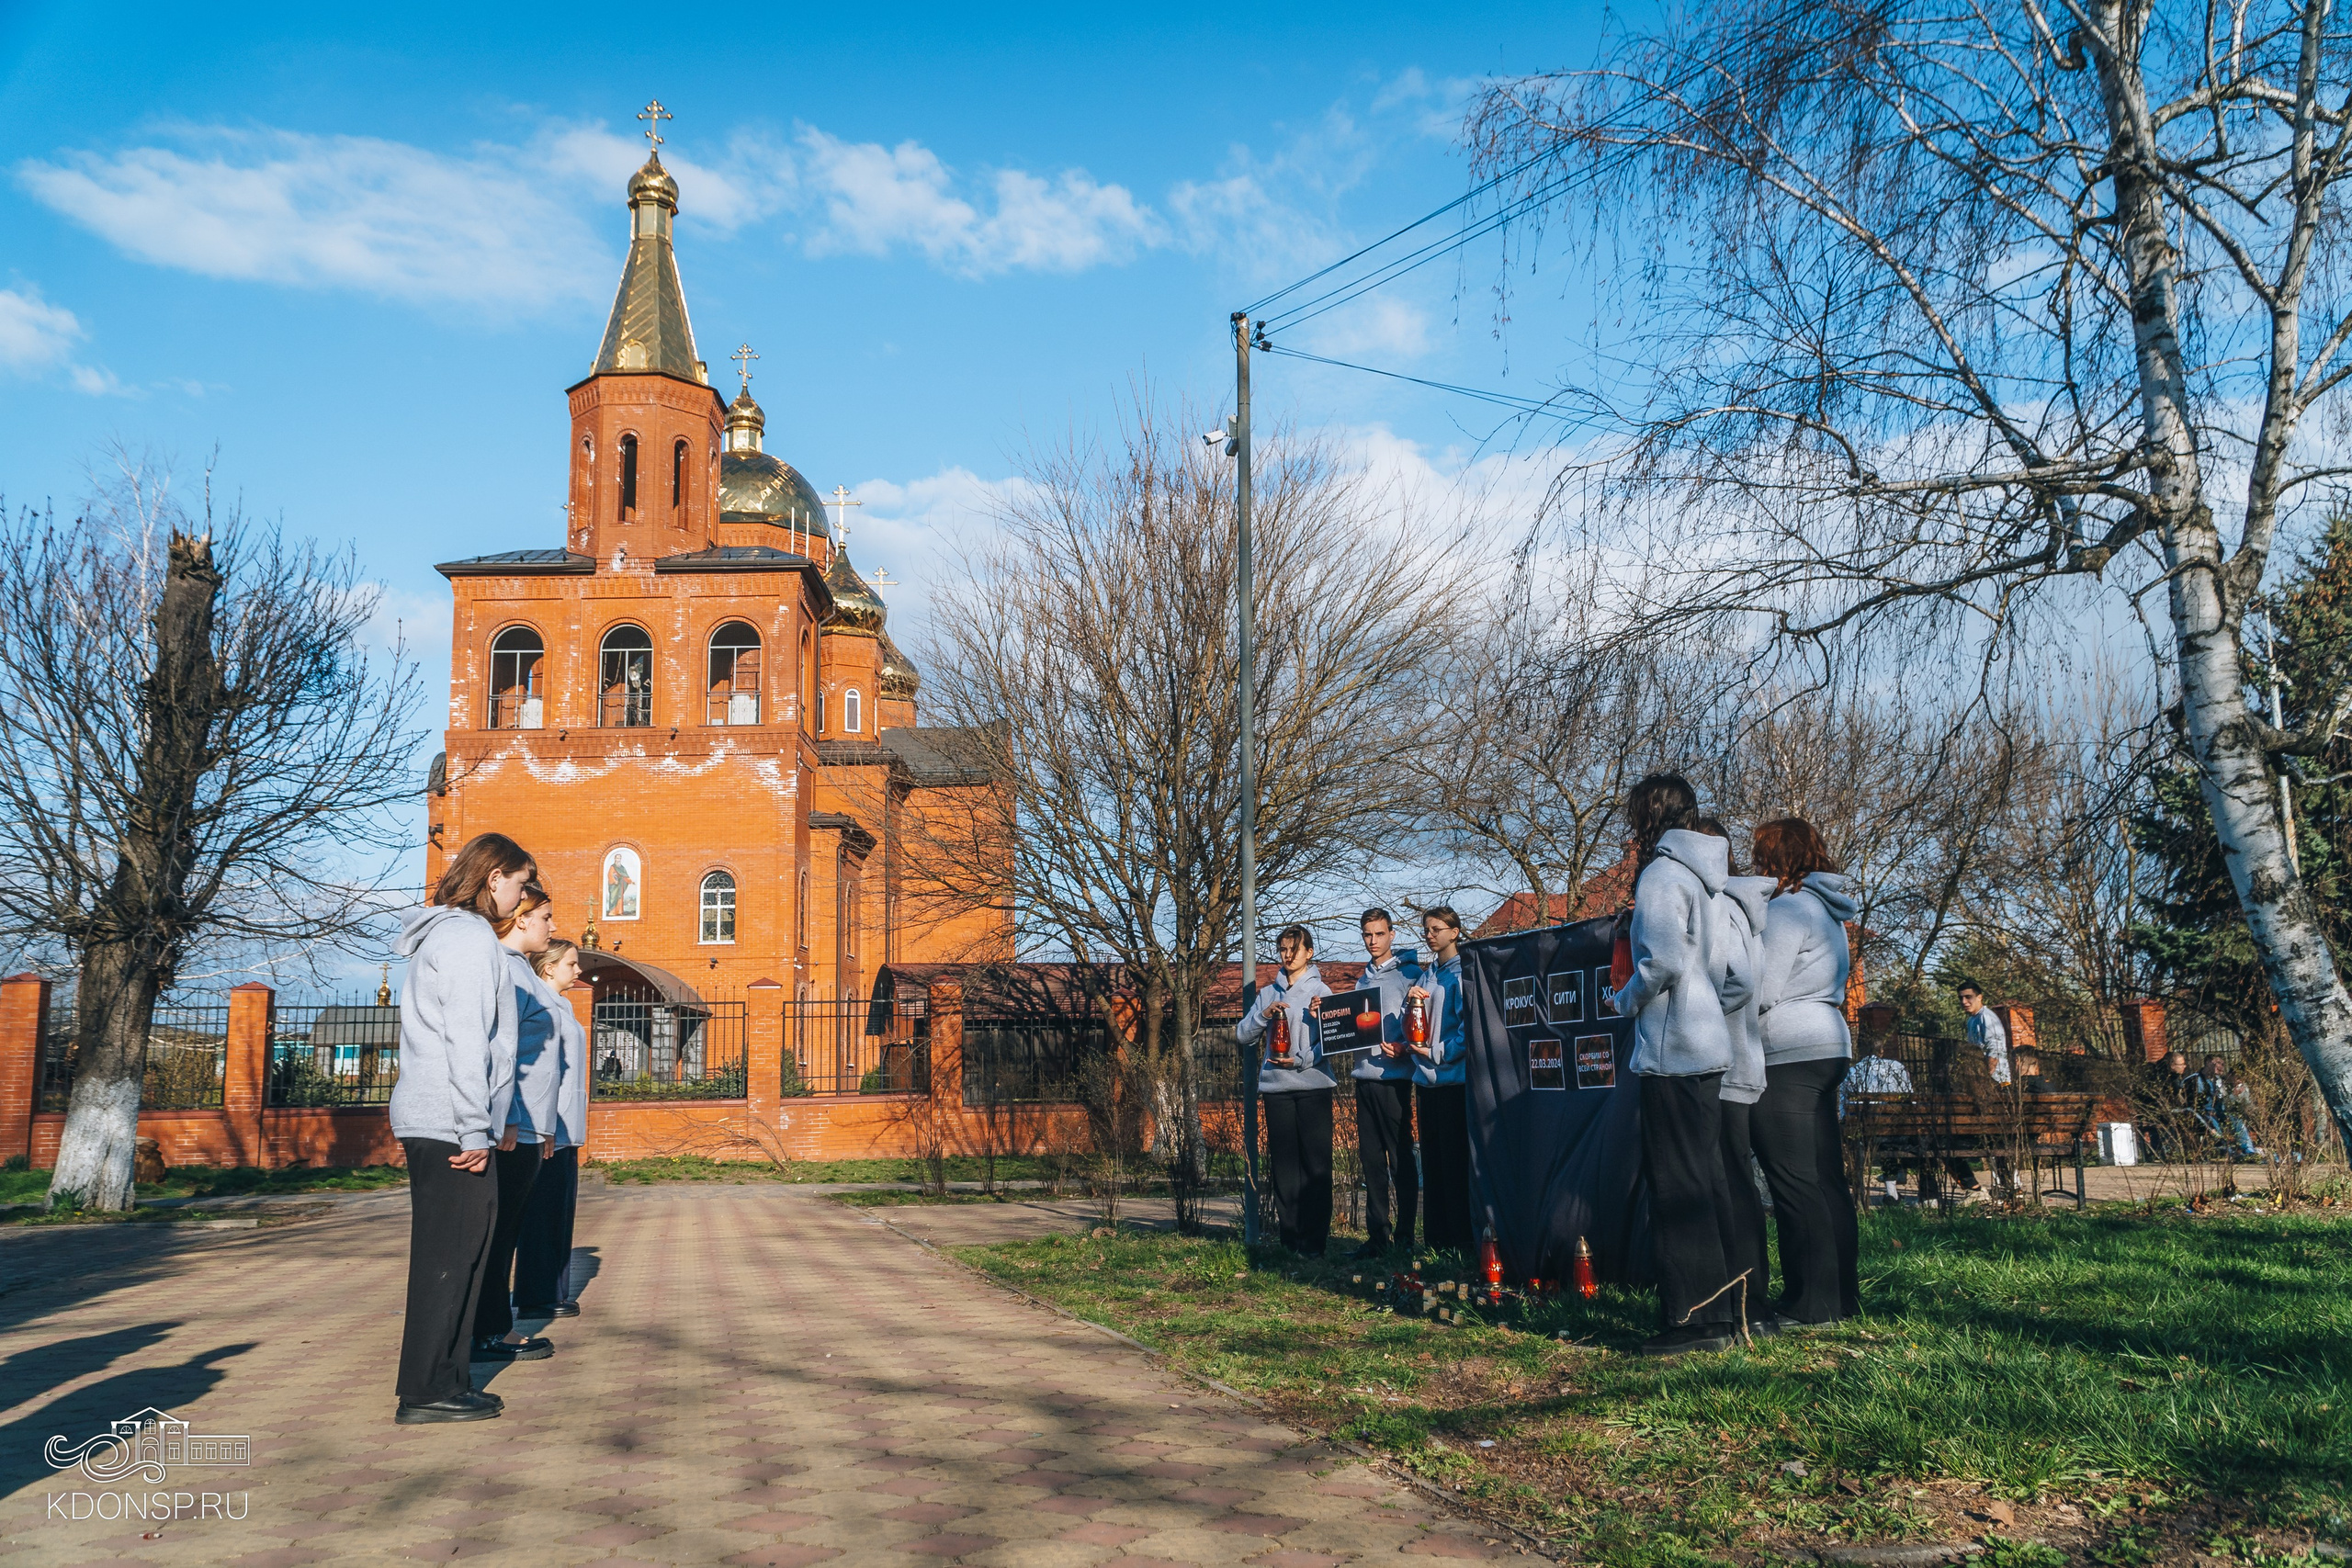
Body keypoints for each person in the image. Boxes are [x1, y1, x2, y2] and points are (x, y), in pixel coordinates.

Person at [1604, 774, 1753, 1356]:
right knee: (1707, 1182)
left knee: (1677, 1187)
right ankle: (1723, 1313)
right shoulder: (1708, 878)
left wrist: (1624, 1001)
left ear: (1648, 816)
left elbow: (1661, 960)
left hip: (1675, 1052)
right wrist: (1706, 1005)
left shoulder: (1663, 874)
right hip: (1706, 1044)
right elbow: (1732, 973)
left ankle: (1694, 1323)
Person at [389, 831, 533, 1426]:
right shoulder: (469, 938)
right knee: (450, 1255)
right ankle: (427, 1389)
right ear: (494, 877)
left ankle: (445, 1379)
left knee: (459, 1250)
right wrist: (475, 1129)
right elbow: (467, 1038)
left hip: (442, 1118)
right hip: (451, 1123)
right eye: (520, 883)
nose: (521, 896)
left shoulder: (451, 934)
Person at [1750, 817, 1863, 1325]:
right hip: (1827, 1043)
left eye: (1761, 856)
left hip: (1788, 1050)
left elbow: (1762, 989)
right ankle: (1840, 1298)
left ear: (1777, 859)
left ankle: (1810, 1303)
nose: (1757, 866)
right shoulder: (1827, 910)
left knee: (1794, 1182)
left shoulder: (1789, 908)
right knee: (1825, 1179)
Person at [469, 885, 563, 1366]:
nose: (552, 926)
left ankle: (491, 1325)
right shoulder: (506, 969)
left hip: (527, 1123)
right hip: (513, 1125)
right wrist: (507, 1116)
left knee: (506, 1232)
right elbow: (501, 1051)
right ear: (522, 918)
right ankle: (488, 1331)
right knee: (499, 1234)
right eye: (545, 917)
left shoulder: (522, 970)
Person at [1693, 818, 1778, 1335]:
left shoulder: (1723, 908)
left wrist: (1696, 1015)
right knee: (1733, 1181)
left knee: (1730, 1184)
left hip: (1723, 1064)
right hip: (1734, 1059)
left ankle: (1749, 1303)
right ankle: (1747, 1301)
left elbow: (1743, 984)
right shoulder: (1740, 909)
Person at [1236, 925, 1336, 1257]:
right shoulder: (1268, 993)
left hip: (1313, 1086)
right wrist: (1263, 1016)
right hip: (1276, 1089)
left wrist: (1302, 1058)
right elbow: (1242, 1035)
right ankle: (1289, 1241)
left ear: (1309, 953)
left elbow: (1332, 1043)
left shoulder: (1321, 991)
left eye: (1295, 949)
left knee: (1316, 1167)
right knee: (1284, 1168)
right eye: (1283, 949)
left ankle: (1315, 1244)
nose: (1288, 955)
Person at [515, 937, 588, 1318]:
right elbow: (539, 1072)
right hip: (548, 1128)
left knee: (558, 1211)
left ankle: (554, 1291)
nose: (578, 970)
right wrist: (542, 1125)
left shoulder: (563, 1005)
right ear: (549, 968)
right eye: (571, 964)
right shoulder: (543, 1004)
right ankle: (535, 1297)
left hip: (564, 1126)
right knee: (542, 1215)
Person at [1347, 908, 1419, 1259]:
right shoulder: (1361, 981)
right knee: (1371, 1163)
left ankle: (1405, 1237)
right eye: (1367, 934)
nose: (1372, 941)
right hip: (1364, 1078)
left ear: (1392, 934)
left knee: (1400, 1161)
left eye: (1379, 934)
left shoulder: (1409, 976)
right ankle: (1377, 1238)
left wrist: (1406, 1047)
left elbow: (1422, 1024)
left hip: (1394, 1081)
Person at [1408, 907, 1472, 1255]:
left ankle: (1461, 1243)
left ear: (1454, 932)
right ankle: (1435, 1243)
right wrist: (1409, 1007)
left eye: (1436, 929)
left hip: (1453, 1083)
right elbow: (1413, 1026)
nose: (1430, 935)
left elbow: (1467, 1031)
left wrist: (1436, 1053)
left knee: (1454, 1165)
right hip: (1425, 1083)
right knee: (1431, 1165)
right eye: (1427, 930)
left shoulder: (1462, 974)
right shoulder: (1425, 976)